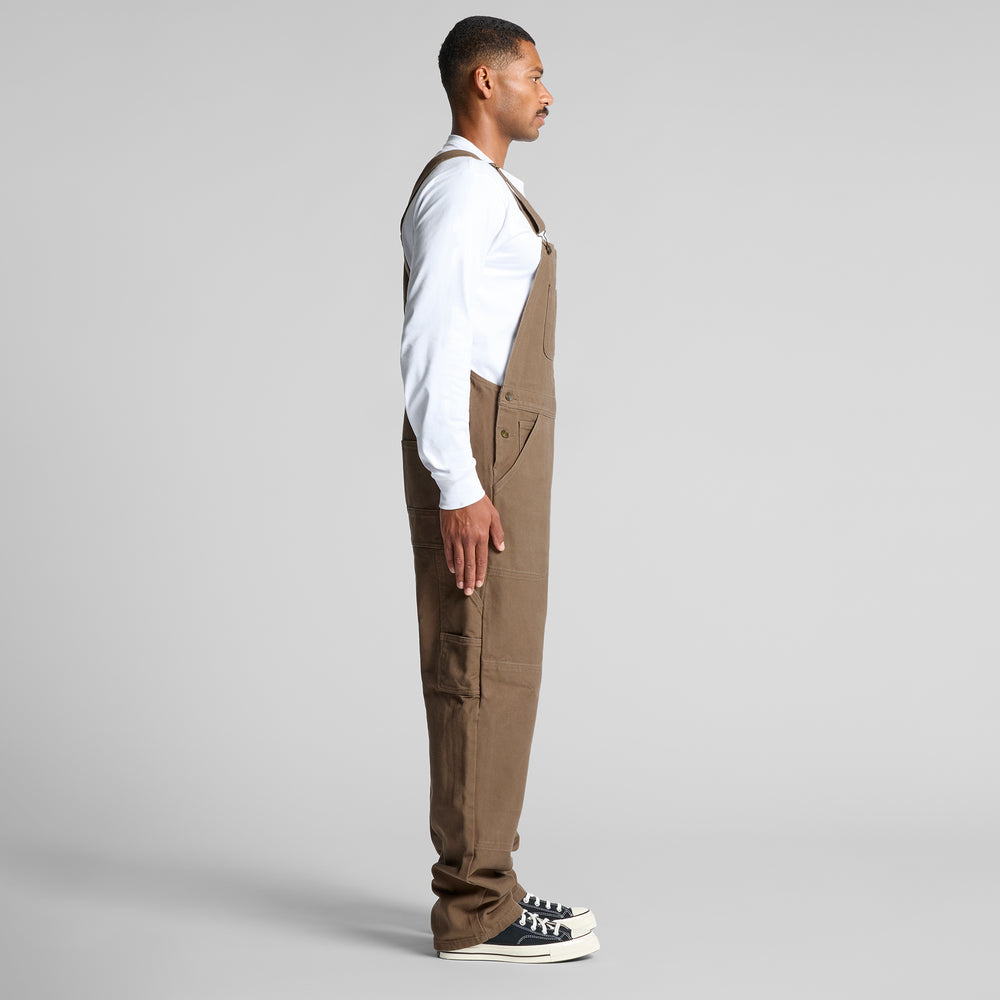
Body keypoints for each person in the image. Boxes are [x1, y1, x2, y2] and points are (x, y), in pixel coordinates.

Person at [399, 16, 599, 964]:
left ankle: (492, 882)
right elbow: (431, 337)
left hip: (499, 444)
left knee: (503, 661)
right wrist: (457, 482)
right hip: (479, 449)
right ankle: (476, 909)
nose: (548, 94)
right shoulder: (461, 191)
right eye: (534, 75)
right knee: (477, 660)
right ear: (485, 81)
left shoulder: (491, 189)